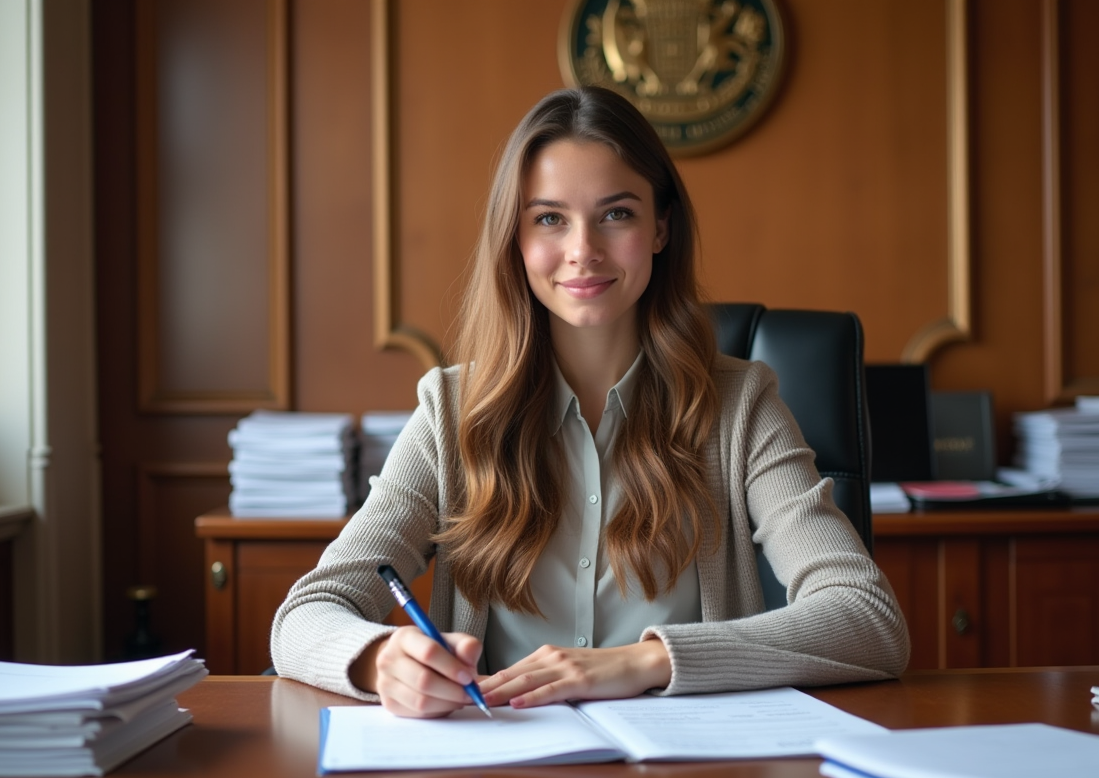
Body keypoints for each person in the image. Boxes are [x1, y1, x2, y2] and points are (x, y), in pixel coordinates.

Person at [271, 86, 909, 719]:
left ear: (660, 226)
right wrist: (380, 658)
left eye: (617, 213)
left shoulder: (740, 407)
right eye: (549, 218)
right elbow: (306, 614)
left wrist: (643, 663)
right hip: (502, 764)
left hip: (687, 774)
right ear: (514, 239)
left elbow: (866, 617)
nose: (583, 250)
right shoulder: (452, 412)